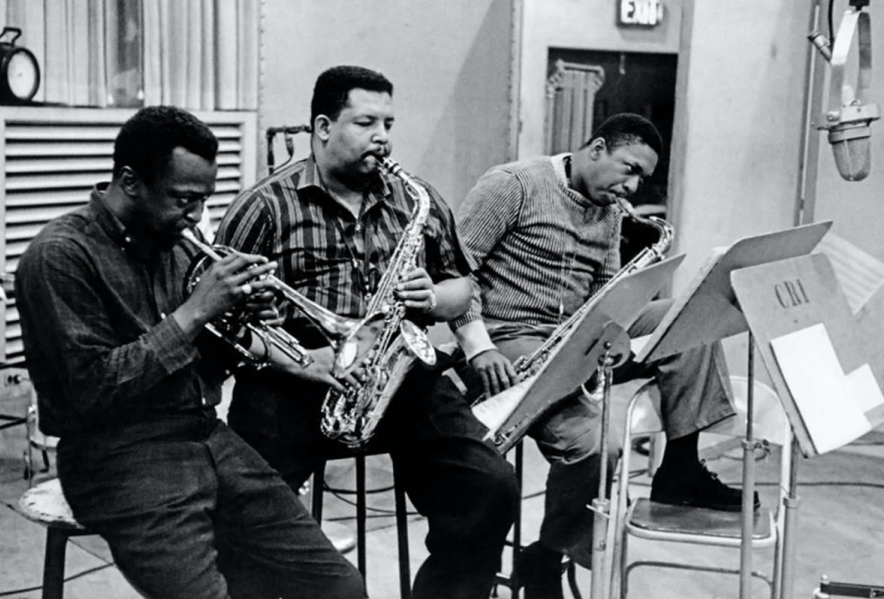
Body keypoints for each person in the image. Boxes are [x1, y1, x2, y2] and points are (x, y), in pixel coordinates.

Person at [15, 106, 366, 599]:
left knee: (340, 588)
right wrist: (196, 312)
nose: (197, 217)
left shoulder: (178, 248)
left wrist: (241, 317)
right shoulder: (61, 255)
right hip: (119, 458)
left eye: (204, 200)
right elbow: (89, 393)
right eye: (183, 199)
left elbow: (204, 365)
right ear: (131, 181)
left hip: (205, 437)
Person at [215, 65, 518, 599]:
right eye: (366, 121)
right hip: (294, 380)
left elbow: (463, 288)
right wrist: (305, 359)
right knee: (246, 511)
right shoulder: (264, 205)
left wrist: (434, 295)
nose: (383, 136)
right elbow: (223, 319)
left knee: (490, 487)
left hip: (400, 376)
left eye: (388, 122)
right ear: (324, 126)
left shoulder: (414, 198)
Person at [451, 113, 757, 598]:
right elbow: (453, 269)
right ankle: (547, 558)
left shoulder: (610, 210)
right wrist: (479, 346)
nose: (632, 187)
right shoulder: (511, 184)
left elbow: (609, 290)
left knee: (691, 317)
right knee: (599, 445)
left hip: (583, 327)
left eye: (642, 179)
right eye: (628, 169)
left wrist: (614, 328)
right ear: (596, 149)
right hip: (512, 334)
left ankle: (679, 470)